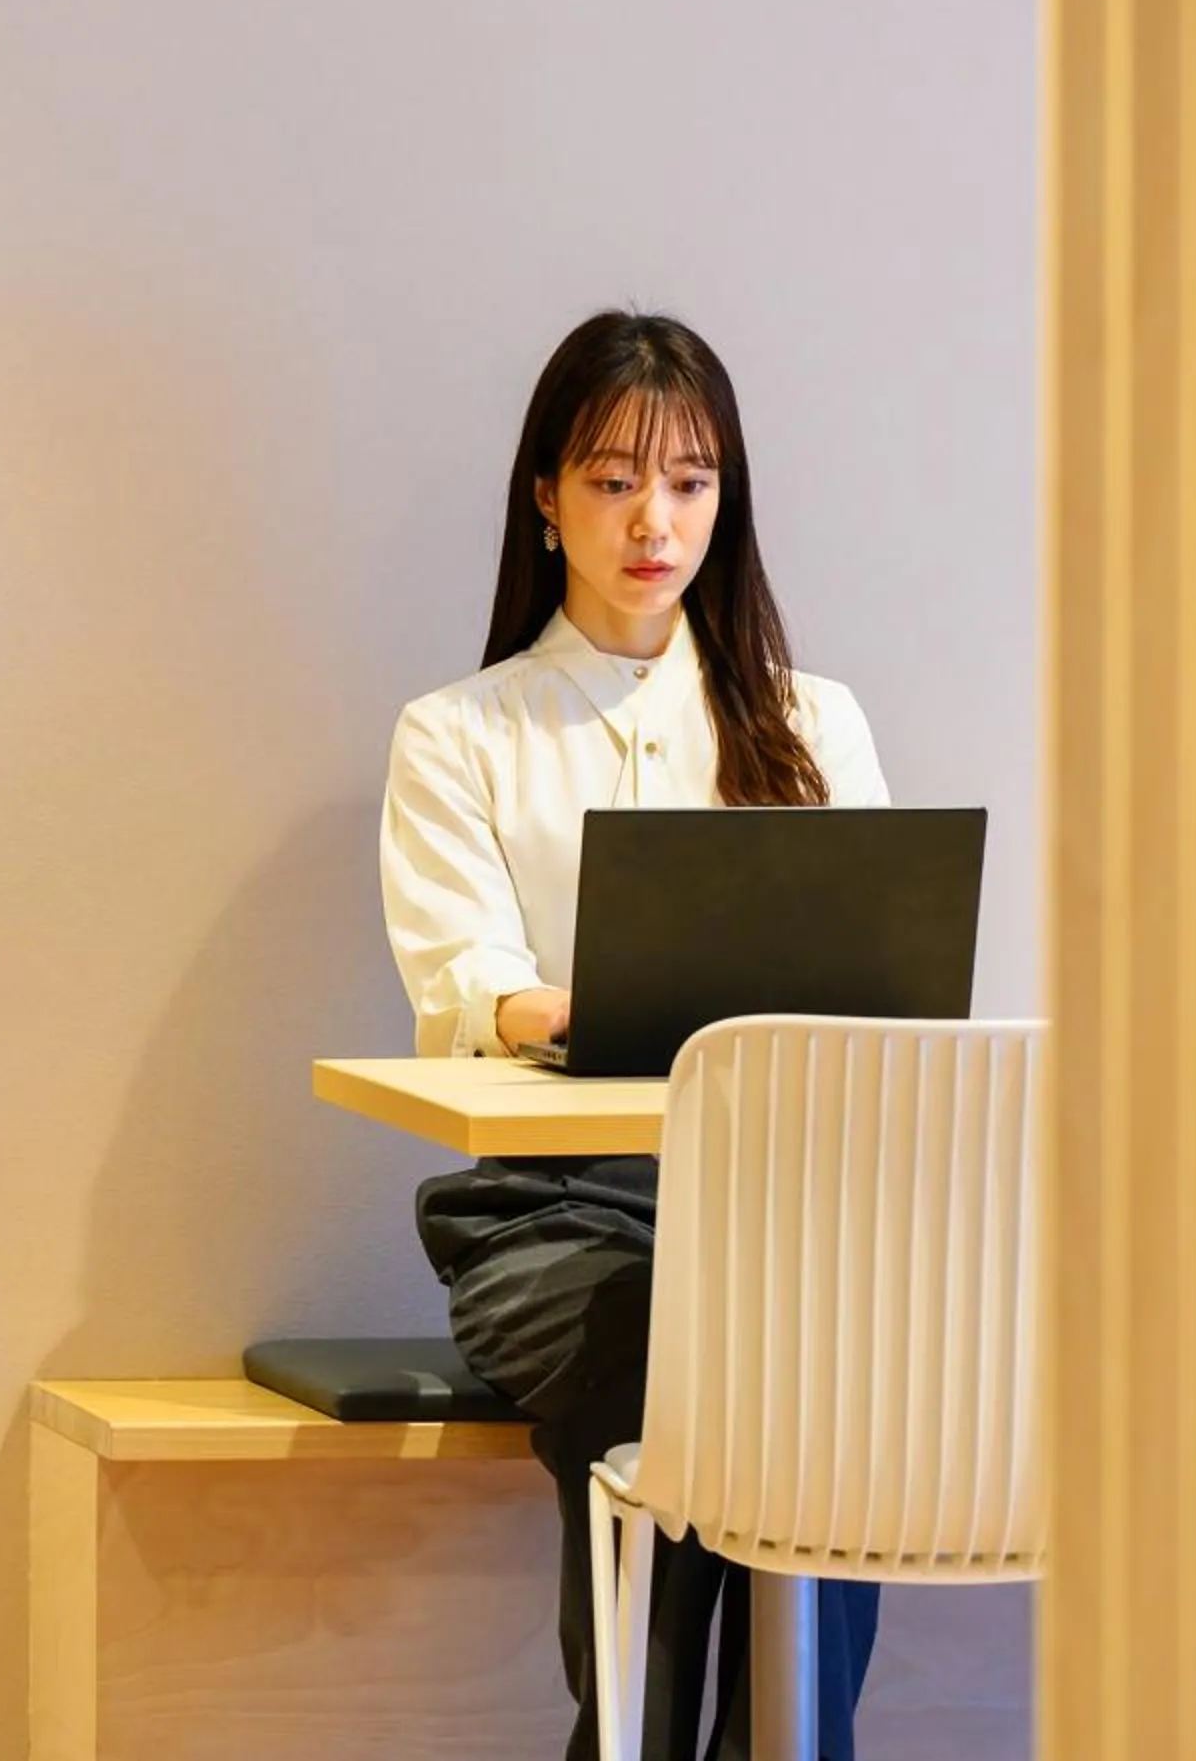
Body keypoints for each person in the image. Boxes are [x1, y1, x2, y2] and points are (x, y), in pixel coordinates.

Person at [379, 309, 886, 1761]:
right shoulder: (460, 733)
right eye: (613, 481)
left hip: (778, 1218)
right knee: (707, 1357)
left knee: (827, 1352)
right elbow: (467, 979)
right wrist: (577, 1005)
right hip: (550, 1224)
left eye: (691, 480)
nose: (654, 520)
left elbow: (883, 979)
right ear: (546, 495)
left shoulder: (812, 724)